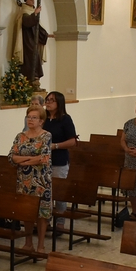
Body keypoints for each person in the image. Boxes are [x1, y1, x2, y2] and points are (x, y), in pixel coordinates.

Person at [8, 106, 52, 252]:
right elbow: (12, 157)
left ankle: (40, 245)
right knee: (26, 211)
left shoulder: (46, 136)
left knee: (41, 213)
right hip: (24, 181)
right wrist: (29, 159)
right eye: (29, 117)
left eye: (34, 117)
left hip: (41, 181)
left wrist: (22, 160)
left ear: (41, 121)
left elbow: (43, 158)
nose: (30, 120)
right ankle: (28, 243)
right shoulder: (20, 136)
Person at [44, 91, 77, 229]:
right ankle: (45, 220)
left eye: (51, 100)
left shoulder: (65, 119)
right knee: (45, 192)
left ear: (59, 103)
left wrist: (55, 146)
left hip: (59, 160)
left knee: (58, 192)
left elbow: (72, 141)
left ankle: (60, 222)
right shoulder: (43, 118)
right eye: (47, 100)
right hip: (43, 161)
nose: (48, 102)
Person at [13, 0, 49, 87]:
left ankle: (35, 77)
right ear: (26, 1)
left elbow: (38, 28)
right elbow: (27, 22)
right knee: (32, 55)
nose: (33, 1)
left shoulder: (32, 11)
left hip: (33, 39)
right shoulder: (24, 11)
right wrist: (35, 14)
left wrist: (46, 34)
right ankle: (31, 77)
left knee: (36, 55)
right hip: (26, 39)